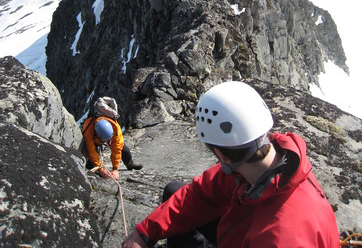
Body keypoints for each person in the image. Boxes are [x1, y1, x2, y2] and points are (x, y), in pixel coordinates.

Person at [122, 81, 340, 247]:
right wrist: (144, 232)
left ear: (221, 155)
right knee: (174, 192)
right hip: (245, 232)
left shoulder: (281, 237)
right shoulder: (253, 169)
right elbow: (199, 195)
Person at [82, 115, 142, 180]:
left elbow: (117, 148)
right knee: (90, 162)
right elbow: (91, 151)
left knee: (124, 149)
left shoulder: (115, 128)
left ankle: (129, 163)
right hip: (95, 140)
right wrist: (100, 168)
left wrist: (115, 169)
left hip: (107, 136)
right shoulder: (88, 129)